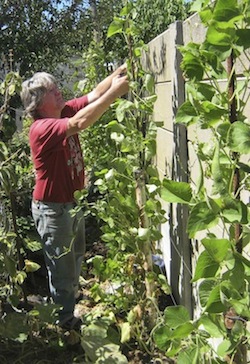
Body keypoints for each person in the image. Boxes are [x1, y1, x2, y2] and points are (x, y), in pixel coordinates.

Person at [20, 65, 129, 330]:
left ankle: (66, 302)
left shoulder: (61, 112)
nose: (58, 91)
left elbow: (93, 95)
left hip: (71, 203)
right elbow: (81, 122)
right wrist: (116, 93)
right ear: (38, 102)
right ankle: (64, 322)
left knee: (76, 255)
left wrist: (118, 73)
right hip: (52, 209)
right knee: (62, 267)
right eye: (50, 90)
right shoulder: (42, 127)